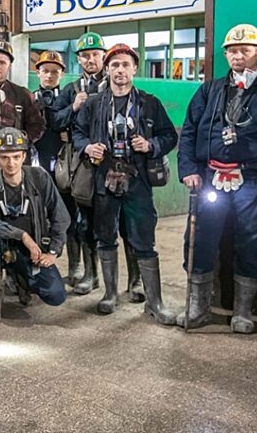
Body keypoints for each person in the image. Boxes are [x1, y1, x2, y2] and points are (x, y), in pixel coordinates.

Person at [178, 24, 257, 333]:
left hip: (256, 181)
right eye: (232, 51)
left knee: (251, 242)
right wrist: (189, 169)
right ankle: (198, 308)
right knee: (199, 239)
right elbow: (189, 131)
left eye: (245, 50)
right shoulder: (208, 90)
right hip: (210, 178)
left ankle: (244, 312)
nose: (238, 56)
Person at [73, 44, 178, 325]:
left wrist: (150, 144)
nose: (120, 70)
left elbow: (169, 136)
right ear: (107, 70)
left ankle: (155, 303)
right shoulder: (94, 103)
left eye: (125, 65)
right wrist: (87, 147)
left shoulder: (149, 103)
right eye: (115, 65)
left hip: (138, 179)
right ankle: (110, 294)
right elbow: (78, 132)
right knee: (105, 236)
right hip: (104, 178)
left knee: (143, 239)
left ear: (134, 69)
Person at [55, 32, 142, 301]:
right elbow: (55, 121)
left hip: (119, 164)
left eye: (95, 54)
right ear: (79, 59)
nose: (90, 59)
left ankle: (136, 281)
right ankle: (90, 275)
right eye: (85, 55)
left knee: (128, 225)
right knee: (85, 223)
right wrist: (73, 107)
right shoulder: (72, 89)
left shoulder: (119, 84)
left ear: (103, 57)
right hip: (84, 164)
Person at [0, 127, 69, 324]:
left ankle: (21, 280)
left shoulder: (39, 177)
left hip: (31, 252)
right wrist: (22, 236)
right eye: (5, 158)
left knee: (55, 295)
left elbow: (61, 216)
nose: (11, 163)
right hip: (0, 247)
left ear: (24, 156)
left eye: (16, 157)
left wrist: (53, 251)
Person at [33, 50, 79, 293]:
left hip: (65, 167)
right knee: (37, 217)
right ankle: (38, 265)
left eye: (55, 71)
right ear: (38, 73)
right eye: (45, 71)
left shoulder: (70, 97)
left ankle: (75, 266)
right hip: (37, 166)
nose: (49, 75)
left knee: (69, 215)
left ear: (62, 73)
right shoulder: (30, 99)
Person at [0, 40, 45, 169]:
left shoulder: (23, 94)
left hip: (14, 165)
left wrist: (20, 142)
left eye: (2, 62)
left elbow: (38, 126)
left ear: (9, 66)